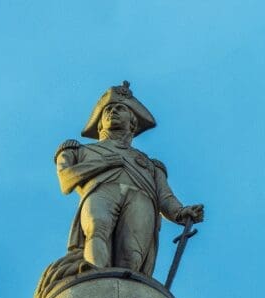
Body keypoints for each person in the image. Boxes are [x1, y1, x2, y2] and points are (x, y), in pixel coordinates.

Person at [55, 81, 203, 275]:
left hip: (142, 199)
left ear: (132, 121)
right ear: (100, 122)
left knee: (132, 255)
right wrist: (105, 163)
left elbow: (164, 197)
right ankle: (95, 274)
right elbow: (66, 180)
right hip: (100, 191)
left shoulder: (151, 164)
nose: (112, 112)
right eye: (107, 110)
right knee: (97, 227)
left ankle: (129, 292)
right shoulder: (79, 150)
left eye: (119, 108)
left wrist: (181, 212)